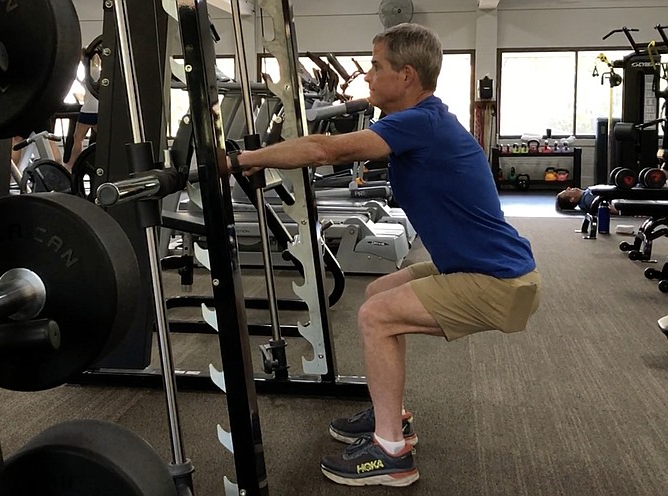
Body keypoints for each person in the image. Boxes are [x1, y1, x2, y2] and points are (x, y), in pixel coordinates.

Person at [228, 23, 541, 487]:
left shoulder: (421, 123)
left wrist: (240, 160)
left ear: (407, 75)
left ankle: (391, 452)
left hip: (499, 281)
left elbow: (320, 150)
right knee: (378, 292)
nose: (369, 77)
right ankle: (389, 414)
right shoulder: (423, 121)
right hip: (486, 267)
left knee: (376, 316)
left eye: (376, 66)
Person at [65, 48, 101, 172]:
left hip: (88, 110)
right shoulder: (98, 72)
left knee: (78, 138)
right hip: (98, 109)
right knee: (102, 138)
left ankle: (71, 164)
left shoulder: (89, 71)